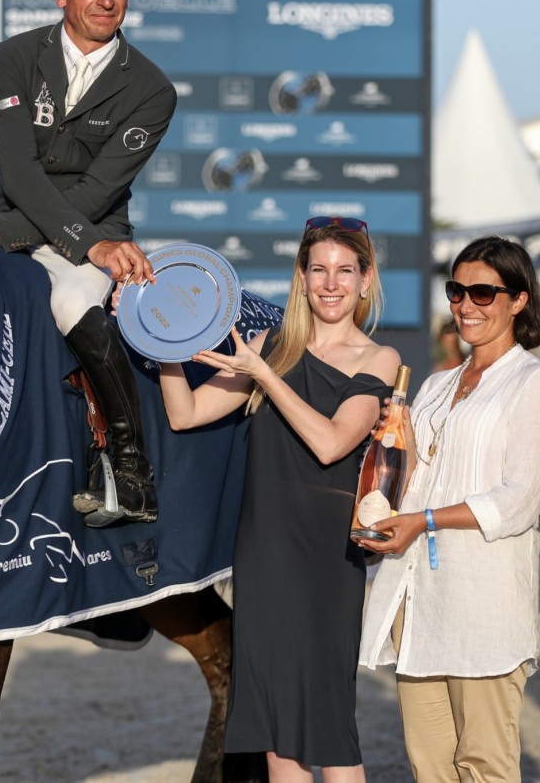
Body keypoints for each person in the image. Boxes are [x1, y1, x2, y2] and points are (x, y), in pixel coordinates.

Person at [158, 216, 401, 782]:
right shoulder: (269, 346)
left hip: (326, 557)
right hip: (264, 550)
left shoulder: (378, 358)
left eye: (345, 271)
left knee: (330, 728)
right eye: (319, 270)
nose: (331, 284)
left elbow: (332, 443)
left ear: (366, 280)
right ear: (302, 276)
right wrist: (163, 344)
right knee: (275, 734)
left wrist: (265, 375)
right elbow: (185, 413)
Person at [0, 0, 177, 522]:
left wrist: (17, 235)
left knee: (69, 303)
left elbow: (95, 191)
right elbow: (20, 173)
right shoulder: (11, 58)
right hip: (13, 212)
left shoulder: (153, 89)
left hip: (94, 229)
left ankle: (130, 469)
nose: (106, 0)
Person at [358, 235, 540, 783]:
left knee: (484, 767)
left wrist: (424, 521)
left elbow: (522, 499)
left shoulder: (530, 382)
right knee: (430, 768)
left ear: (518, 300)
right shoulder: (436, 385)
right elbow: (418, 483)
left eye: (483, 293)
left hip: (485, 607)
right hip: (419, 603)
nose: (466, 305)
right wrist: (398, 459)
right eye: (457, 291)